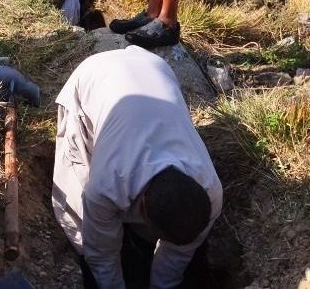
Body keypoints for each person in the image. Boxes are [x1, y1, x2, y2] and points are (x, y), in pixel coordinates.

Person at [52, 47, 222, 289]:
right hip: (95, 78)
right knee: (79, 208)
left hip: (155, 67)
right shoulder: (105, 185)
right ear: (142, 204)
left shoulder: (212, 192)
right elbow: (101, 255)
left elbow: (178, 257)